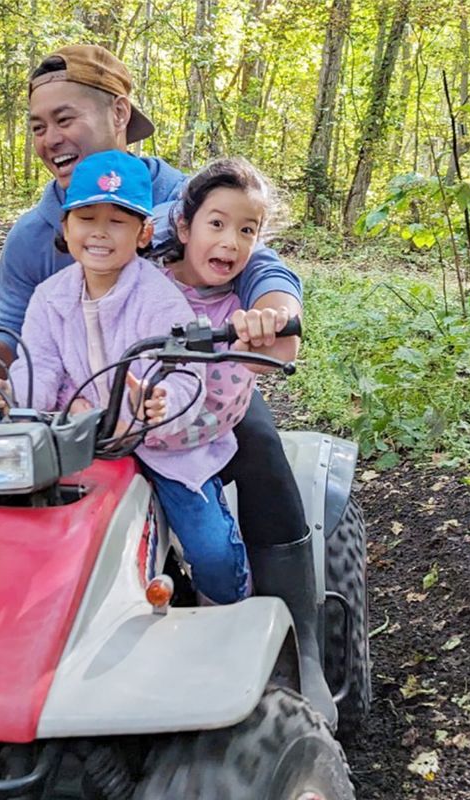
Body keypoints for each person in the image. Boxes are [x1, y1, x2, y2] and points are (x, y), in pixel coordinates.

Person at [0, 43, 328, 721]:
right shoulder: (33, 235)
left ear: (117, 112)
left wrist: (273, 311)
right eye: (38, 126)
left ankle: (295, 646)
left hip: (189, 388)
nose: (51, 138)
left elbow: (256, 261)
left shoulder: (182, 197)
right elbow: (14, 329)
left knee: (257, 446)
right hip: (74, 399)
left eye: (65, 119)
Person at [0, 149, 250, 606]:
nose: (100, 232)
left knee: (212, 550)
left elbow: (187, 371)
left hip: (163, 447)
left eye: (118, 221)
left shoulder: (160, 298)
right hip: (78, 440)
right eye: (86, 218)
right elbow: (39, 365)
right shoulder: (49, 297)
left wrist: (161, 401)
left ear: (143, 233)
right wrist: (11, 396)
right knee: (11, 516)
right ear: (66, 226)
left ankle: (229, 611)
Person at [157, 155, 336, 726]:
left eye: (247, 230)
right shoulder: (143, 281)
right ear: (183, 226)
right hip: (125, 433)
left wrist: (265, 323)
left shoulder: (240, 300)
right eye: (217, 224)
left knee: (213, 549)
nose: (230, 241)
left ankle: (235, 632)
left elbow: (281, 344)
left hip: (194, 447)